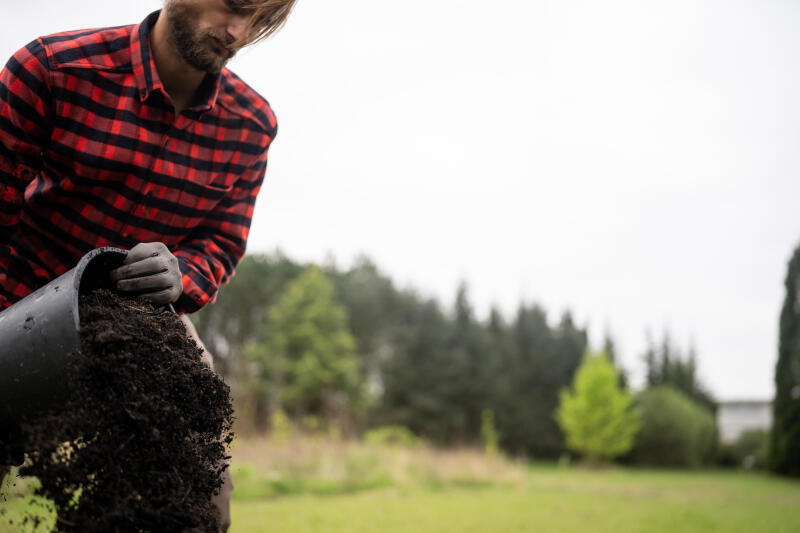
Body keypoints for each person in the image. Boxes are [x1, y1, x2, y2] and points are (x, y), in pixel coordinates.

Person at [0, 0, 297, 530]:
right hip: (17, 306)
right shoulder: (52, 68)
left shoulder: (251, 126)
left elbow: (221, 243)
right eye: (235, 6)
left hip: (141, 325)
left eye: (258, 21)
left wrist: (184, 273)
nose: (237, 31)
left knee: (199, 493)